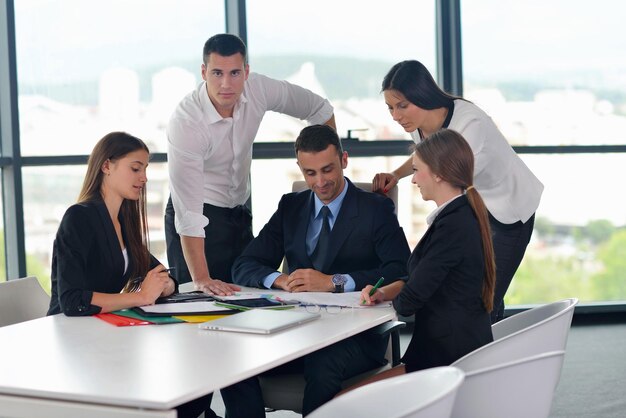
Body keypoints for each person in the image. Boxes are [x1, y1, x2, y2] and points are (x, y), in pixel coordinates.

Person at [232, 124, 410, 415]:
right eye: (310, 173)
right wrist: (281, 279)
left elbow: (400, 269)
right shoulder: (291, 207)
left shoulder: (376, 208)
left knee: (322, 361)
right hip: (296, 332)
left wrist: (335, 282)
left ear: (344, 160)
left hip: (356, 338)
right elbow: (244, 264)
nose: (320, 182)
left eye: (327, 170)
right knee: (237, 356)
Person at [47, 132, 212, 418]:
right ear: (107, 166)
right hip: (73, 340)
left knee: (196, 379)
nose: (144, 177)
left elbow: (161, 274)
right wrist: (140, 295)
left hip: (104, 334)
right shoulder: (79, 218)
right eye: (136, 168)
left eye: (146, 169)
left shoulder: (124, 220)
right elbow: (72, 301)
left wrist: (162, 286)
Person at [165, 33, 336, 297]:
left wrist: (330, 164)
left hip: (238, 214)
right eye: (217, 73)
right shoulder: (186, 122)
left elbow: (320, 109)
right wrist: (201, 278)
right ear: (203, 72)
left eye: (234, 73)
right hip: (196, 220)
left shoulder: (259, 88)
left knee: (246, 302)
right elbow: (188, 214)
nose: (226, 84)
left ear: (246, 71)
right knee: (198, 308)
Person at [373, 60, 543, 322]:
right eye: (391, 108)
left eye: (402, 106)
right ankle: (489, 350)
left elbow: (452, 181)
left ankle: (489, 357)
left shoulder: (468, 123)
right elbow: (425, 156)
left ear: (422, 95)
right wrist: (397, 174)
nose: (396, 116)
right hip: (477, 206)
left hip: (509, 208)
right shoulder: (417, 124)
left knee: (484, 299)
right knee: (480, 292)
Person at [346, 128, 495, 391]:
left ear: (438, 173)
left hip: (446, 364)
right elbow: (423, 279)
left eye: (416, 170)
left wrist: (398, 293)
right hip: (452, 352)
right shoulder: (462, 215)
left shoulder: (452, 227)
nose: (413, 180)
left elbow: (409, 302)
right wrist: (384, 292)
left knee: (343, 399)